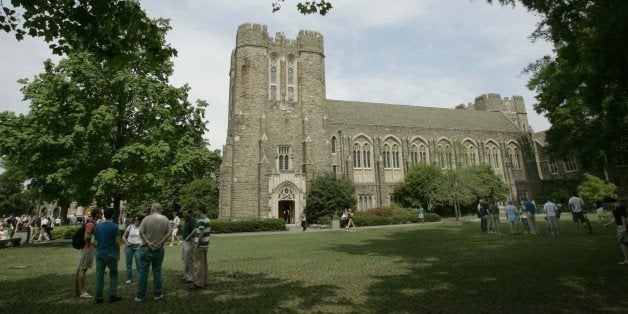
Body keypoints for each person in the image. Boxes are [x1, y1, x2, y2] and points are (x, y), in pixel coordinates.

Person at [136, 202, 172, 302]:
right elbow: (169, 233)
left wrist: (148, 243)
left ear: (152, 209)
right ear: (160, 209)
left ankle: (140, 296)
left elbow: (141, 232)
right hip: (159, 248)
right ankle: (157, 294)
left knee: (143, 271)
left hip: (146, 248)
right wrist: (161, 242)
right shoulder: (165, 219)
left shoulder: (146, 218)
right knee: (157, 271)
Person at [92, 207, 122, 303]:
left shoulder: (98, 226)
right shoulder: (114, 226)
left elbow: (92, 241)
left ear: (104, 215)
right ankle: (112, 296)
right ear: (112, 215)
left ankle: (98, 297)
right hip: (111, 252)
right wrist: (118, 253)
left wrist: (99, 248)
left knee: (99, 275)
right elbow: (117, 242)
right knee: (113, 274)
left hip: (100, 253)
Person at [74, 208, 101, 299]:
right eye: (100, 213)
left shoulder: (92, 223)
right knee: (83, 270)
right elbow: (86, 237)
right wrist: (94, 241)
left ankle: (77, 290)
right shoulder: (91, 224)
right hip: (88, 249)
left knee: (80, 269)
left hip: (87, 248)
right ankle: (82, 292)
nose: (101, 214)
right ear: (96, 214)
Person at [603, 199, 628, 265]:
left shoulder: (619, 207)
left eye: (607, 204)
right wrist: (608, 224)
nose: (607, 206)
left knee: (623, 242)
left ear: (611, 202)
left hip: (622, 226)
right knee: (624, 242)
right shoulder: (615, 208)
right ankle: (626, 259)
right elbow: (615, 218)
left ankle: (626, 259)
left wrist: (624, 228)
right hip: (621, 226)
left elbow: (623, 217)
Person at [191, 207, 210, 289]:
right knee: (204, 264)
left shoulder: (201, 220)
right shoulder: (207, 219)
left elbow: (201, 233)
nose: (196, 212)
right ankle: (204, 281)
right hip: (206, 245)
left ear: (200, 211)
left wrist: (197, 245)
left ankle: (199, 283)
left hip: (201, 245)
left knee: (198, 264)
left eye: (197, 210)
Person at [122, 215, 143, 284]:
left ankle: (140, 278)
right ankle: (129, 279)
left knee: (139, 264)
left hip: (138, 248)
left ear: (140, 220)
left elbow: (145, 238)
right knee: (128, 264)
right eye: (135, 219)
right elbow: (124, 236)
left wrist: (142, 244)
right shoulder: (130, 227)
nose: (136, 220)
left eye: (138, 219)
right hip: (129, 247)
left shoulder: (142, 228)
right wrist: (126, 243)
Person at [181, 209, 196, 283]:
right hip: (185, 242)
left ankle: (190, 277)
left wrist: (189, 237)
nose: (183, 214)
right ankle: (186, 275)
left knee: (189, 260)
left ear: (189, 214)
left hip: (190, 242)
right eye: (183, 213)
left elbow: (195, 230)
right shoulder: (186, 220)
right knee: (184, 259)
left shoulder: (192, 220)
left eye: (185, 213)